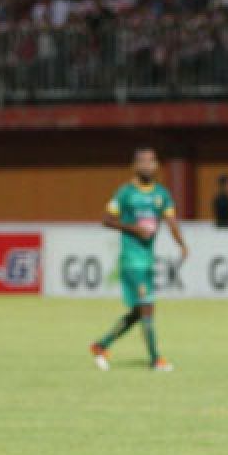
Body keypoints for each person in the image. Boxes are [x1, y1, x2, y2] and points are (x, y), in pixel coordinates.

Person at [90, 147, 188, 372]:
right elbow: (106, 220)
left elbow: (171, 220)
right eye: (143, 161)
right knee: (147, 307)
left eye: (152, 161)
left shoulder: (161, 194)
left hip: (147, 260)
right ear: (134, 166)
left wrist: (181, 243)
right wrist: (134, 229)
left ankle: (101, 345)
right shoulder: (125, 193)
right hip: (131, 261)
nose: (147, 165)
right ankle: (156, 359)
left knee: (138, 313)